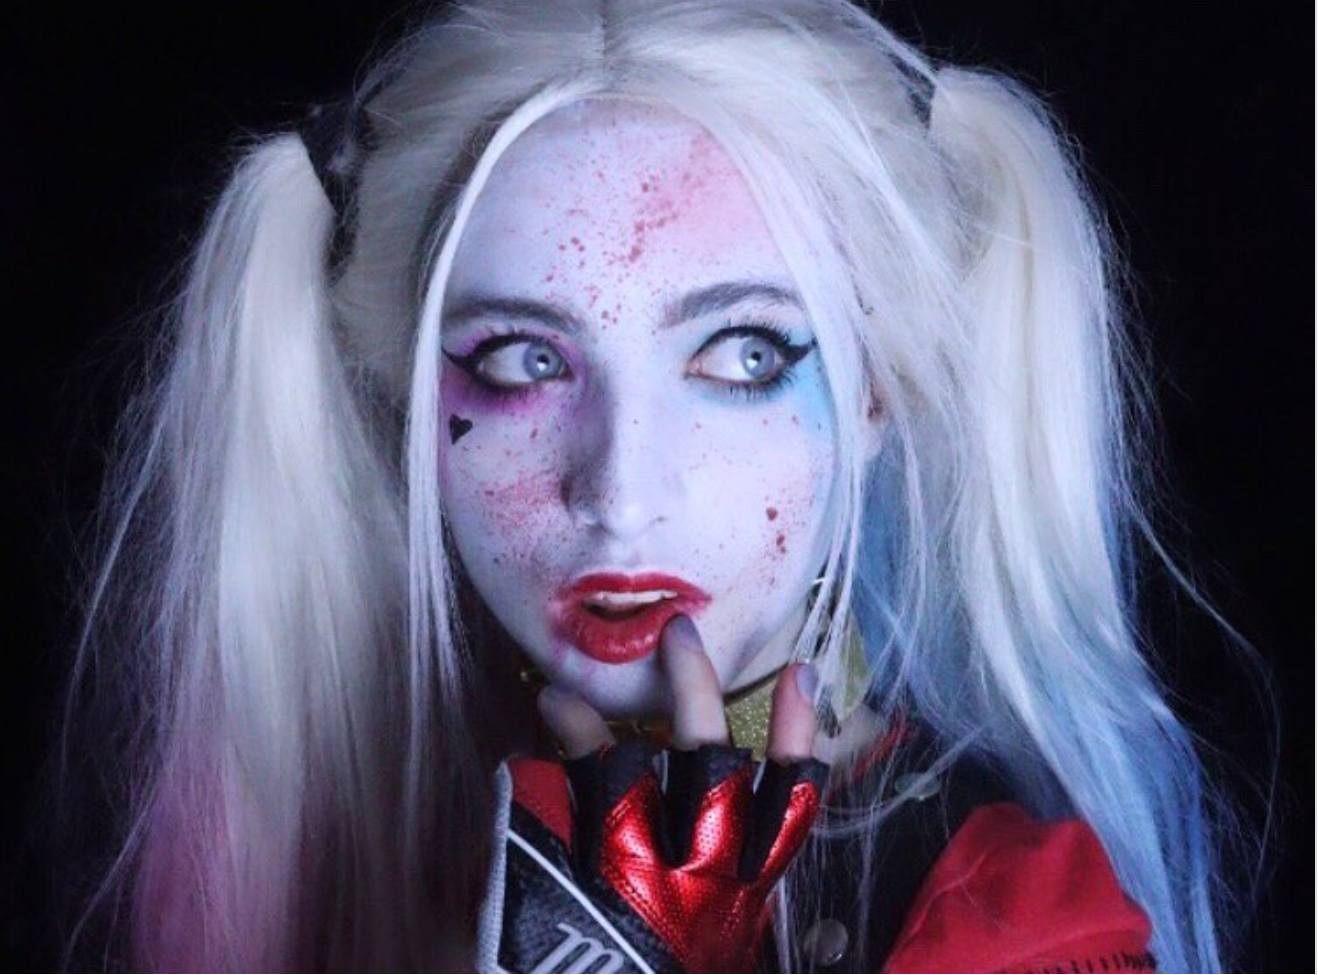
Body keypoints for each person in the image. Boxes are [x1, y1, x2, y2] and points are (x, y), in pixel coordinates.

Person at [55, 0, 1274, 971]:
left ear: (874, 388)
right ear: (414, 402)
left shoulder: (1003, 920)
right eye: (523, 362)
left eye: (743, 355)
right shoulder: (317, 857)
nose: (621, 495)